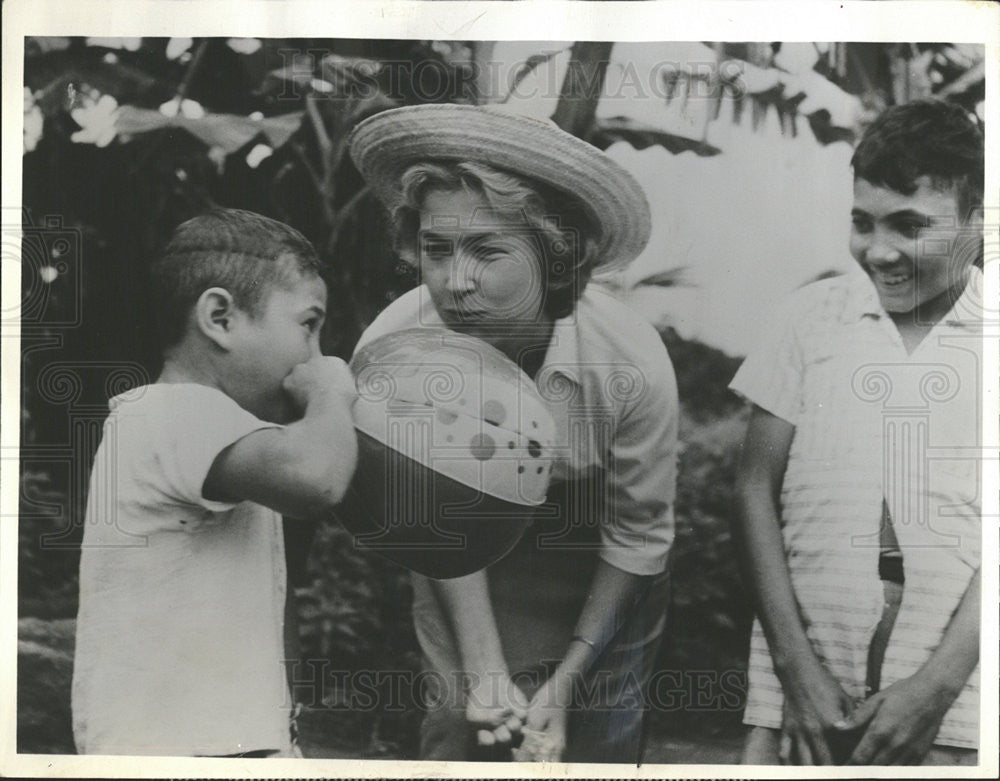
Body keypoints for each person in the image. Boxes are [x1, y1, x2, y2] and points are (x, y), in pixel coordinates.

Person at [348, 103, 679, 763]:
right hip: (460, 552)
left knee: (596, 738)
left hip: (595, 557)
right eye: (437, 250)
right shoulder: (392, 347)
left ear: (554, 260)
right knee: (463, 726)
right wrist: (485, 669)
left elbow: (637, 536)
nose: (453, 281)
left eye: (487, 250)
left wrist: (566, 683)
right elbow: (436, 521)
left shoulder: (632, 365)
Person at [730, 99, 983, 766]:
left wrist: (936, 688)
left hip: (955, 712)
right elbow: (754, 486)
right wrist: (794, 669)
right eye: (861, 222)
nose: (879, 250)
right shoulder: (810, 318)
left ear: (979, 224)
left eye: (910, 225)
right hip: (801, 701)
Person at [71, 209, 358, 756]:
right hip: (166, 751)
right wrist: (330, 393)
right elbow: (319, 480)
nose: (317, 356)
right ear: (220, 318)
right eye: (308, 326)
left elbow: (269, 602)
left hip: (222, 745)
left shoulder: (231, 438)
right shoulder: (173, 414)